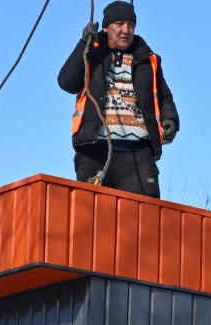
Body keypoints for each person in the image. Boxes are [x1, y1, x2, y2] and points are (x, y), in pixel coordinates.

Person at [56, 1, 178, 197]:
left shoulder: (148, 59)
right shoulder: (91, 52)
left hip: (138, 154)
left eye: (131, 24)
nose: (126, 30)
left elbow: (164, 95)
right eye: (120, 23)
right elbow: (66, 82)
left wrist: (171, 119)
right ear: (106, 27)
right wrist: (83, 45)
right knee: (92, 219)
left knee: (145, 219)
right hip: (94, 152)